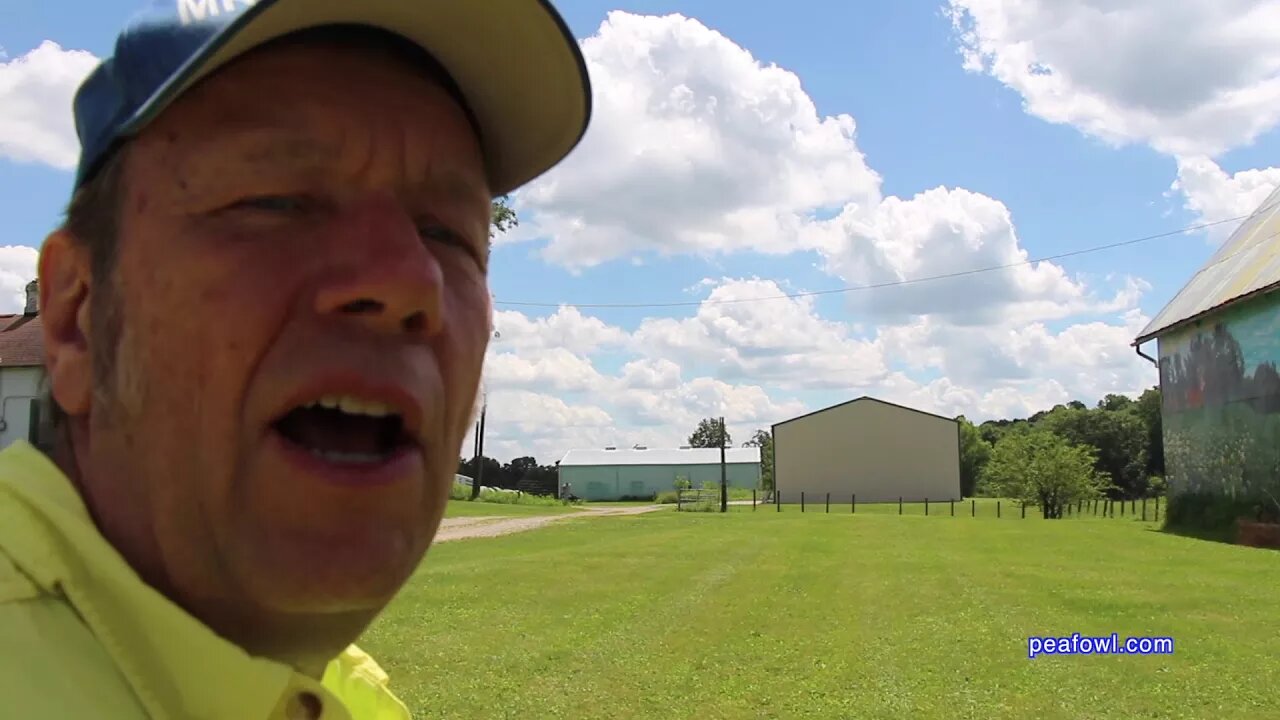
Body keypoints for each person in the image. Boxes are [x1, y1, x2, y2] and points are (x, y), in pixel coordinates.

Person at [0, 1, 591, 718]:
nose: (410, 280)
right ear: (74, 316)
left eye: (448, 232)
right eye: (276, 200)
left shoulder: (341, 696)